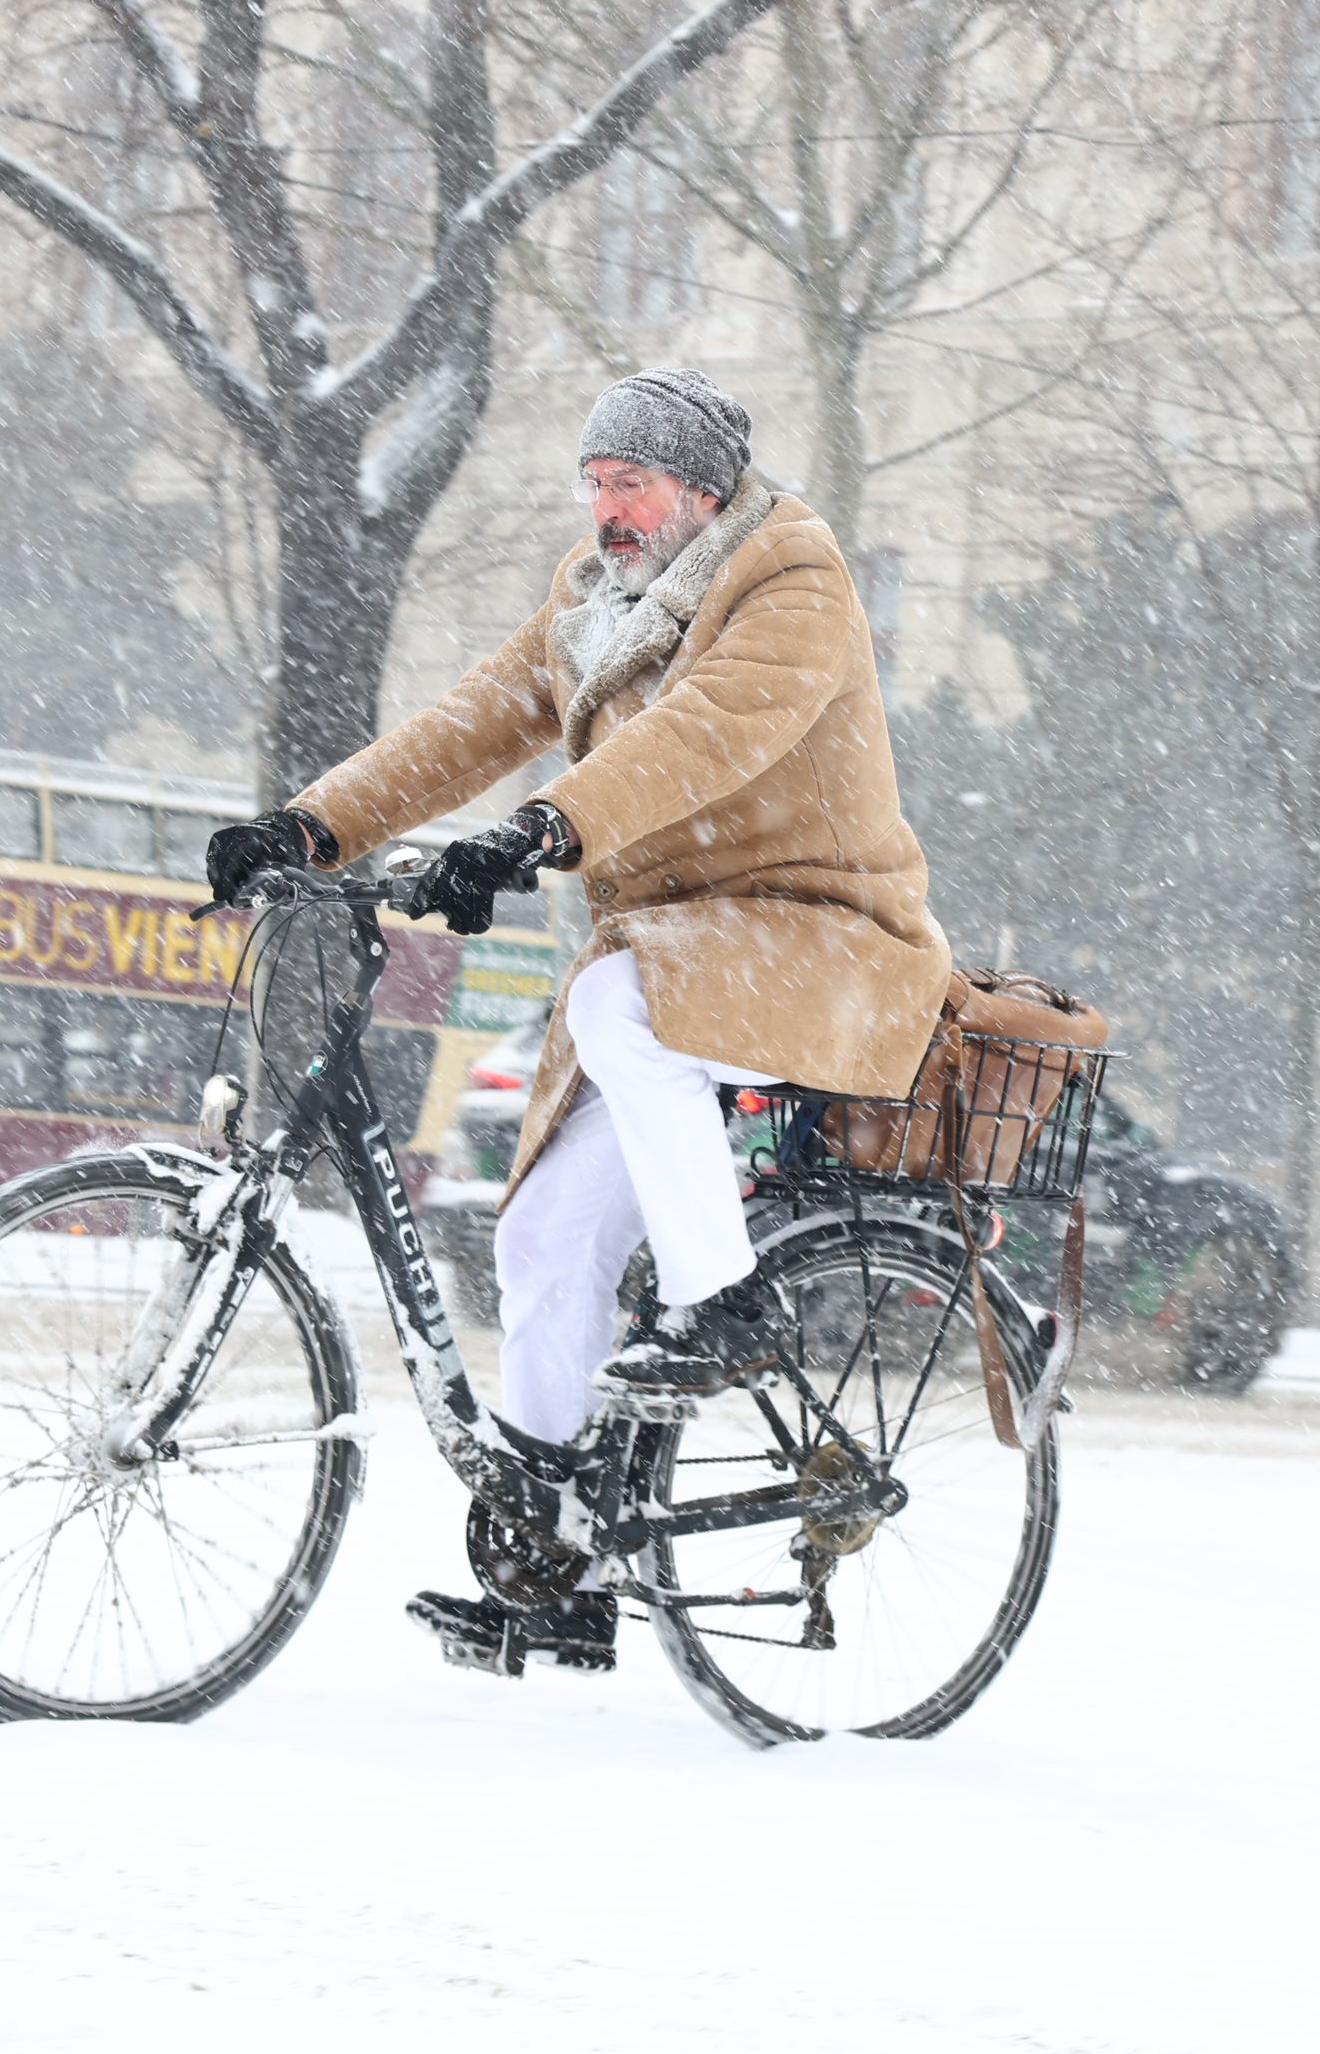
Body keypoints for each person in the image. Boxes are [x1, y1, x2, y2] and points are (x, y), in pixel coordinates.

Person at [204, 368, 949, 1670]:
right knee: (546, 1232)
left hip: (824, 942)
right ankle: (557, 1572)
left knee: (614, 999)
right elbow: (473, 721)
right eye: (596, 485)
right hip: (686, 961)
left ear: (701, 493)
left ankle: (726, 1309)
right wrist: (312, 824)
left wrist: (544, 830)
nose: (608, 509)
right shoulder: (595, 604)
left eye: (634, 486)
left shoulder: (792, 579)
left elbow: (705, 739)